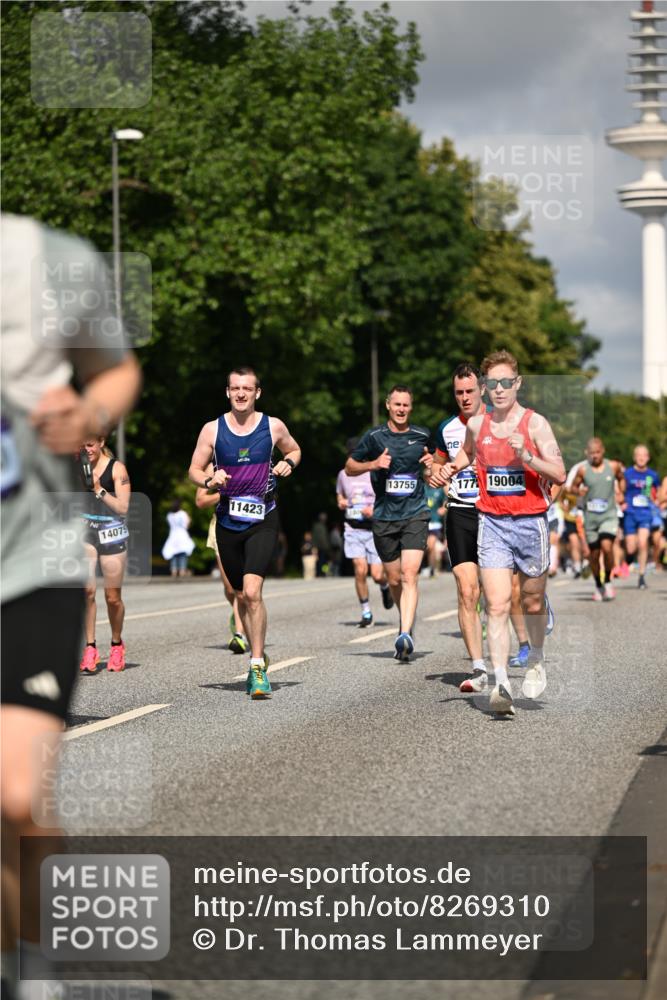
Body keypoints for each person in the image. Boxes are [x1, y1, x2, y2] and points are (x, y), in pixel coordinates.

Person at [1, 214, 140, 1000]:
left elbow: (115, 370)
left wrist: (87, 415)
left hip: (33, 563)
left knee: (13, 794)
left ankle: (39, 968)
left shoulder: (48, 261)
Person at [441, 350, 565, 716]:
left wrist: (527, 457)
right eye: (491, 383)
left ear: (517, 383)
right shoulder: (477, 426)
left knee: (530, 602)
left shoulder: (535, 424)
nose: (498, 390)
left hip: (531, 523)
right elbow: (465, 454)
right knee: (494, 604)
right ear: (484, 387)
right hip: (492, 522)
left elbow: (558, 472)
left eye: (505, 383)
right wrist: (447, 470)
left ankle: (537, 658)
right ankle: (500, 683)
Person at [188, 366, 300, 699]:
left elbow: (295, 450)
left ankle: (256, 668)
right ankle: (257, 649)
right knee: (238, 594)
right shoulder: (212, 430)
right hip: (227, 521)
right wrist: (210, 480)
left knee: (252, 592)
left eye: (247, 389)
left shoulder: (273, 426)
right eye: (235, 388)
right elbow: (193, 469)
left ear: (257, 393)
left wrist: (288, 464)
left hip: (263, 516)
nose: (241, 394)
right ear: (227, 392)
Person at [346, 385, 433, 661]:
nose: (401, 409)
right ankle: (403, 623)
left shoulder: (422, 436)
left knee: (410, 574)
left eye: (406, 405)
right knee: (393, 578)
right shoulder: (374, 436)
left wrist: (431, 465)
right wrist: (373, 464)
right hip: (384, 517)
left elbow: (433, 473)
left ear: (411, 406)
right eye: (397, 404)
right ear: (388, 405)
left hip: (415, 513)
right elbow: (349, 466)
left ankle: (405, 632)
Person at [429, 363, 488, 689]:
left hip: (495, 513)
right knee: (468, 590)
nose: (464, 398)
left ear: (481, 390)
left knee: (500, 596)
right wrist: (434, 474)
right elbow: (437, 469)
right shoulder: (446, 429)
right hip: (461, 512)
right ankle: (479, 669)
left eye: (469, 391)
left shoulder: (499, 423)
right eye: (458, 393)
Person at [78, 436, 132, 672]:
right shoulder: (76, 465)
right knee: (87, 591)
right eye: (81, 444)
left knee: (112, 597)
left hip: (112, 533)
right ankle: (90, 647)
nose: (85, 449)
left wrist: (98, 489)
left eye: (89, 443)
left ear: (100, 442)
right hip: (86, 532)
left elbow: (123, 507)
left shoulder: (117, 469)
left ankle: (117, 643)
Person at [336, 438, 393, 627]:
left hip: (373, 530)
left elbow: (386, 500)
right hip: (352, 529)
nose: (355, 457)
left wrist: (373, 511)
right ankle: (366, 612)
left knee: (377, 575)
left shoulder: (373, 473)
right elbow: (340, 496)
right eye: (352, 455)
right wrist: (341, 502)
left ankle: (385, 587)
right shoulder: (343, 474)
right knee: (360, 570)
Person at [196, 465, 248, 654]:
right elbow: (200, 501)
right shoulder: (213, 466)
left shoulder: (251, 459)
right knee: (230, 588)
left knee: (242, 590)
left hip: (250, 525)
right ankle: (238, 613)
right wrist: (224, 495)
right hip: (222, 527)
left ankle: (239, 635)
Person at [569, 438, 624, 601]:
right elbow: (572, 487)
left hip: (609, 515)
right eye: (592, 453)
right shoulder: (583, 470)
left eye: (598, 452)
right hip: (590, 517)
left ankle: (607, 580)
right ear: (587, 453)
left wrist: (621, 492)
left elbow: (621, 478)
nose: (595, 456)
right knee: (594, 554)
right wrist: (578, 491)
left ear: (603, 451)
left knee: (607, 547)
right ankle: (598, 584)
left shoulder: (613, 466)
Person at [623, 444, 660, 590]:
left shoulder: (653, 475)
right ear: (634, 457)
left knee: (643, 543)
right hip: (630, 513)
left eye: (644, 455)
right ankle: (629, 559)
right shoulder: (627, 473)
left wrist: (657, 500)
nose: (641, 458)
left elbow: (657, 491)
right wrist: (621, 502)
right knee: (631, 548)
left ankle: (642, 576)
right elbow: (619, 488)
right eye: (639, 455)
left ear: (648, 458)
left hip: (645, 513)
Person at [162, 499, 195, 577]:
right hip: (182, 535)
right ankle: (182, 571)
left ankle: (173, 571)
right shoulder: (182, 513)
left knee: (173, 554)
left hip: (173, 536)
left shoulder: (169, 515)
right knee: (182, 555)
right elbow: (186, 525)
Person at [423, 483, 446, 577]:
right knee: (427, 547)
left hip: (435, 522)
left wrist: (444, 508)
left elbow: (446, 501)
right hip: (424, 521)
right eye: (426, 476)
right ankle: (431, 566)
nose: (428, 477)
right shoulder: (423, 488)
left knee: (431, 545)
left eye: (429, 475)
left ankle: (432, 568)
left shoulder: (440, 489)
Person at [312, 512, 331, 577]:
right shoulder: (320, 526)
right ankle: (321, 573)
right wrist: (327, 547)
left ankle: (322, 572)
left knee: (322, 561)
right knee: (322, 561)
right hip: (321, 547)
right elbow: (321, 538)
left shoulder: (320, 526)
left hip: (320, 547)